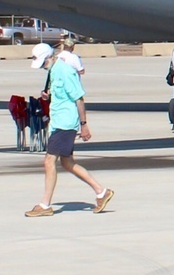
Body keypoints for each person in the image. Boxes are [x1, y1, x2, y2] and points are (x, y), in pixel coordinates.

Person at [26, 50, 113, 216]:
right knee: (67, 163)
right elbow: (61, 96)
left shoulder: (65, 71)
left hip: (66, 124)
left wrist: (84, 125)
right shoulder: (53, 71)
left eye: (43, 63)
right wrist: (47, 97)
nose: (43, 67)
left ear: (50, 57)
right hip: (57, 122)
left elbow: (79, 99)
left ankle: (45, 205)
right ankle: (101, 192)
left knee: (49, 161)